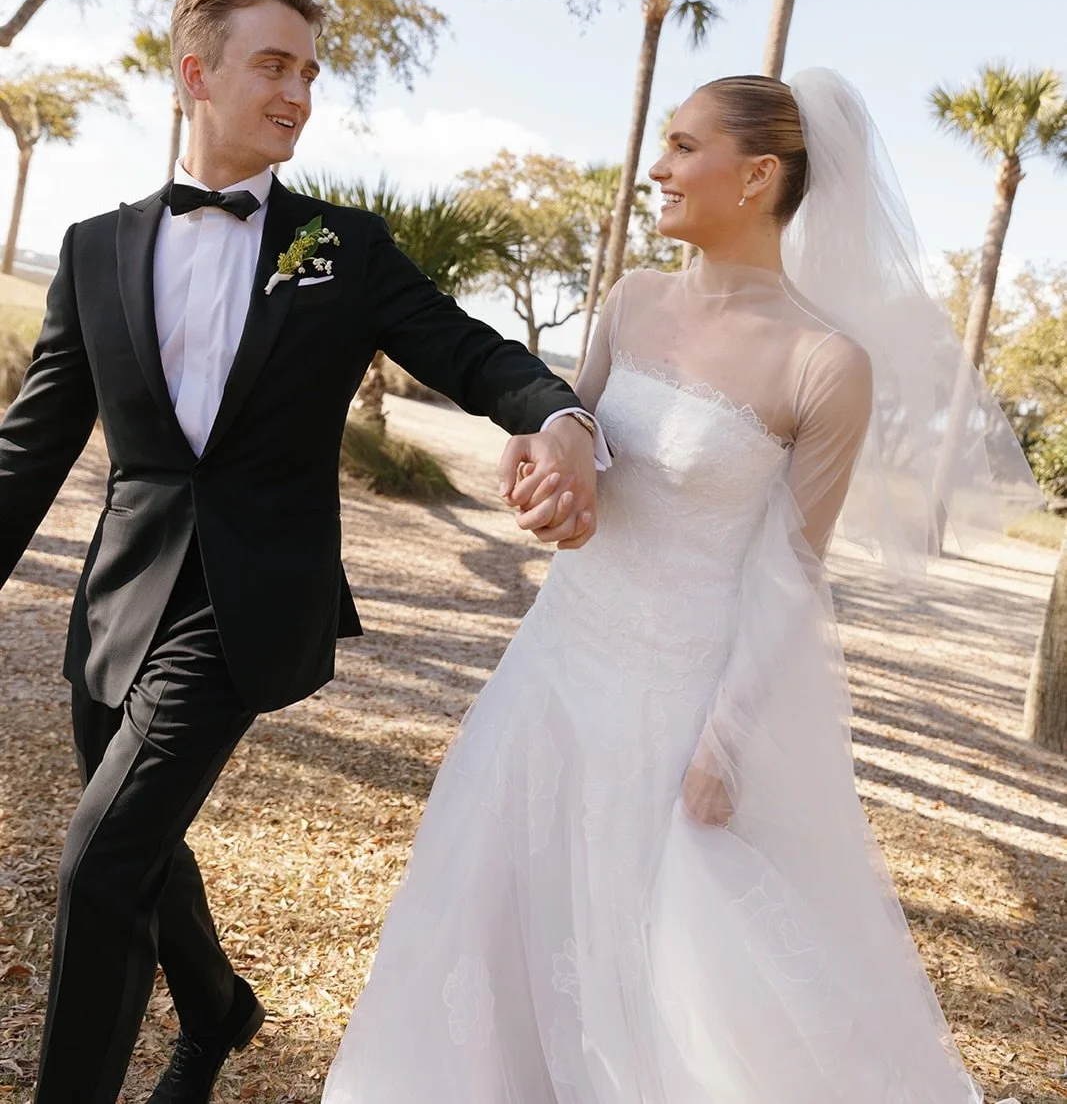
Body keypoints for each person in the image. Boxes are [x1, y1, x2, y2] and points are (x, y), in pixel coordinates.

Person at [323, 70, 1036, 1103]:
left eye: (680, 146)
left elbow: (792, 571)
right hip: (557, 668)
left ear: (754, 175)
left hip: (678, 705)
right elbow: (583, 449)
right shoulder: (631, 299)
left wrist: (725, 740)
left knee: (676, 989)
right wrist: (542, 461)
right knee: (497, 926)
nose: (654, 167)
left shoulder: (822, 363)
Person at [0, 0, 607, 1104]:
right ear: (198, 74)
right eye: (272, 66)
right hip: (116, 606)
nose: (298, 95)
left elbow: (470, 350)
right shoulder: (90, 250)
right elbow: (30, 448)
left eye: (308, 73)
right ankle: (219, 1009)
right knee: (136, 839)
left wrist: (557, 413)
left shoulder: (344, 247)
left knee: (99, 865)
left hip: (248, 605)